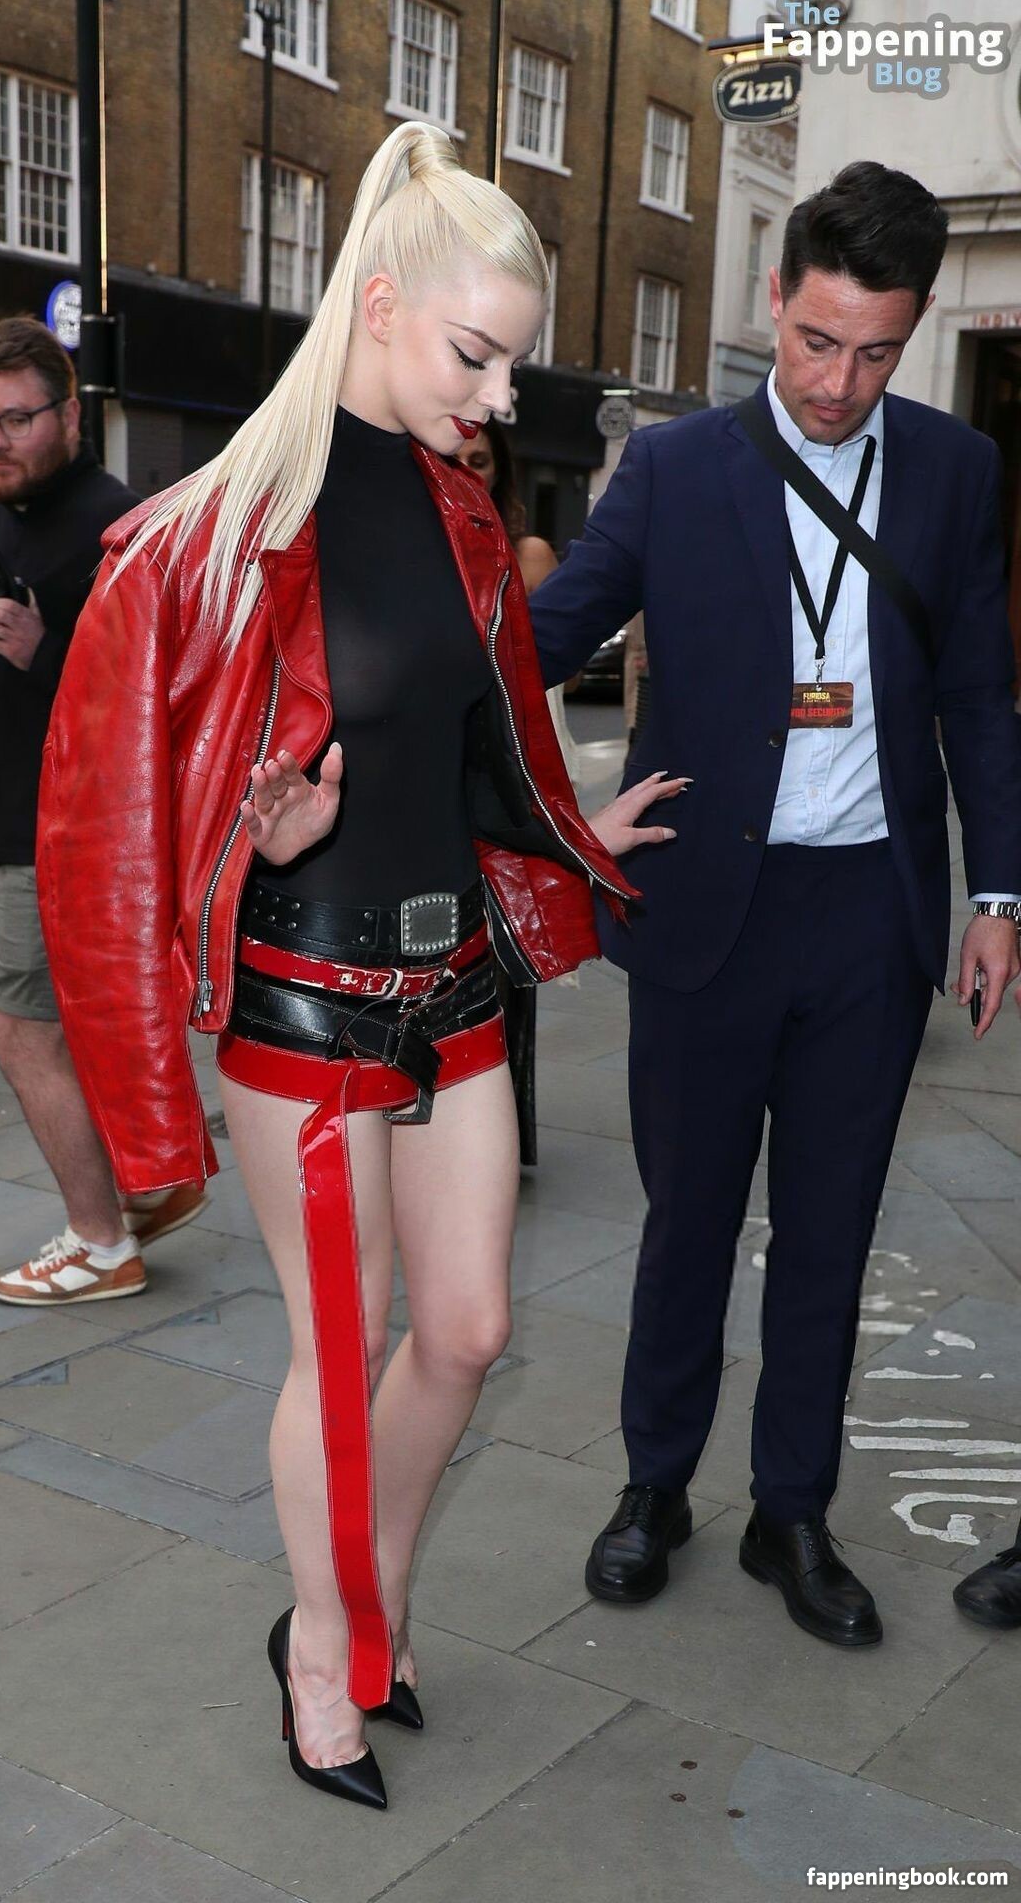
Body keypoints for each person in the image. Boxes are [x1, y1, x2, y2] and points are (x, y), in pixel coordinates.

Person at [36, 122, 683, 1809]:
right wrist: (261, 838)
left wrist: (578, 822)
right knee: (347, 1344)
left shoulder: (465, 516)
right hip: (305, 1001)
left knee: (466, 1332)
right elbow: (107, 828)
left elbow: (472, 753)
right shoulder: (211, 535)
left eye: (513, 366)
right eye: (476, 356)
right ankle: (325, 1654)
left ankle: (356, 1599)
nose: (498, 398)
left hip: (455, 986)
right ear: (381, 307)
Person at [527, 161, 1021, 1649]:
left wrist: (997, 892)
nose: (835, 383)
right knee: (685, 1225)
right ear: (774, 301)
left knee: (828, 1232)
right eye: (815, 341)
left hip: (867, 918)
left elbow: (977, 698)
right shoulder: (676, 468)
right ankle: (654, 1487)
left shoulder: (954, 472)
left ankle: (790, 1513)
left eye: (874, 353)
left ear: (910, 332)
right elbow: (541, 639)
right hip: (703, 911)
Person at [0, 317, 205, 1297]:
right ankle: (146, 1180)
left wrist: (49, 651)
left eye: (16, 420)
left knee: (24, 1025)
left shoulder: (117, 526)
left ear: (69, 416)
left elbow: (167, 693)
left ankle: (101, 1240)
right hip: (21, 823)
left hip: (74, 832)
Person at [457, 417, 573, 1165]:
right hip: (440, 774)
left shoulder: (522, 550)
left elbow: (548, 663)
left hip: (506, 773)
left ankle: (497, 1135)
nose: (467, 468)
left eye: (481, 460)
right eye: (458, 456)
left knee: (503, 955)